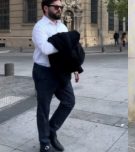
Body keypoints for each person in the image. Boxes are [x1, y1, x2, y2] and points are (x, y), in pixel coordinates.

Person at [32, 0, 79, 151]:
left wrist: (75, 67)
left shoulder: (62, 26)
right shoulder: (39, 27)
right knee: (43, 108)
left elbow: (69, 50)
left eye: (61, 7)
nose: (60, 9)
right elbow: (46, 49)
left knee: (69, 101)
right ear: (46, 8)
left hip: (61, 71)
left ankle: (51, 130)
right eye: (56, 7)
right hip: (44, 72)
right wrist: (66, 41)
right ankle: (44, 143)